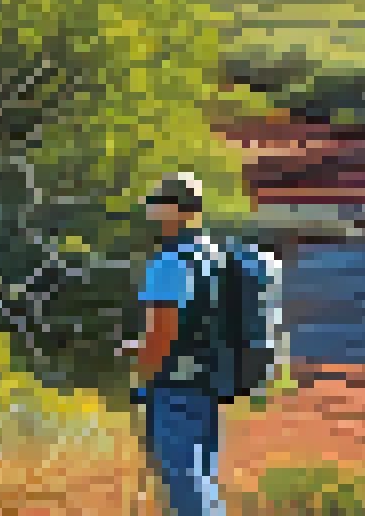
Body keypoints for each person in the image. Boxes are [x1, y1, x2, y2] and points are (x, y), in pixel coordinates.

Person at [131, 172, 226, 516]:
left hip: (175, 387)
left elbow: (161, 336)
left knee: (185, 484)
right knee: (203, 478)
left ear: (174, 210)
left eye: (156, 204)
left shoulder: (168, 262)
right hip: (209, 382)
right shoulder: (213, 255)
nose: (151, 212)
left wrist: (140, 374)